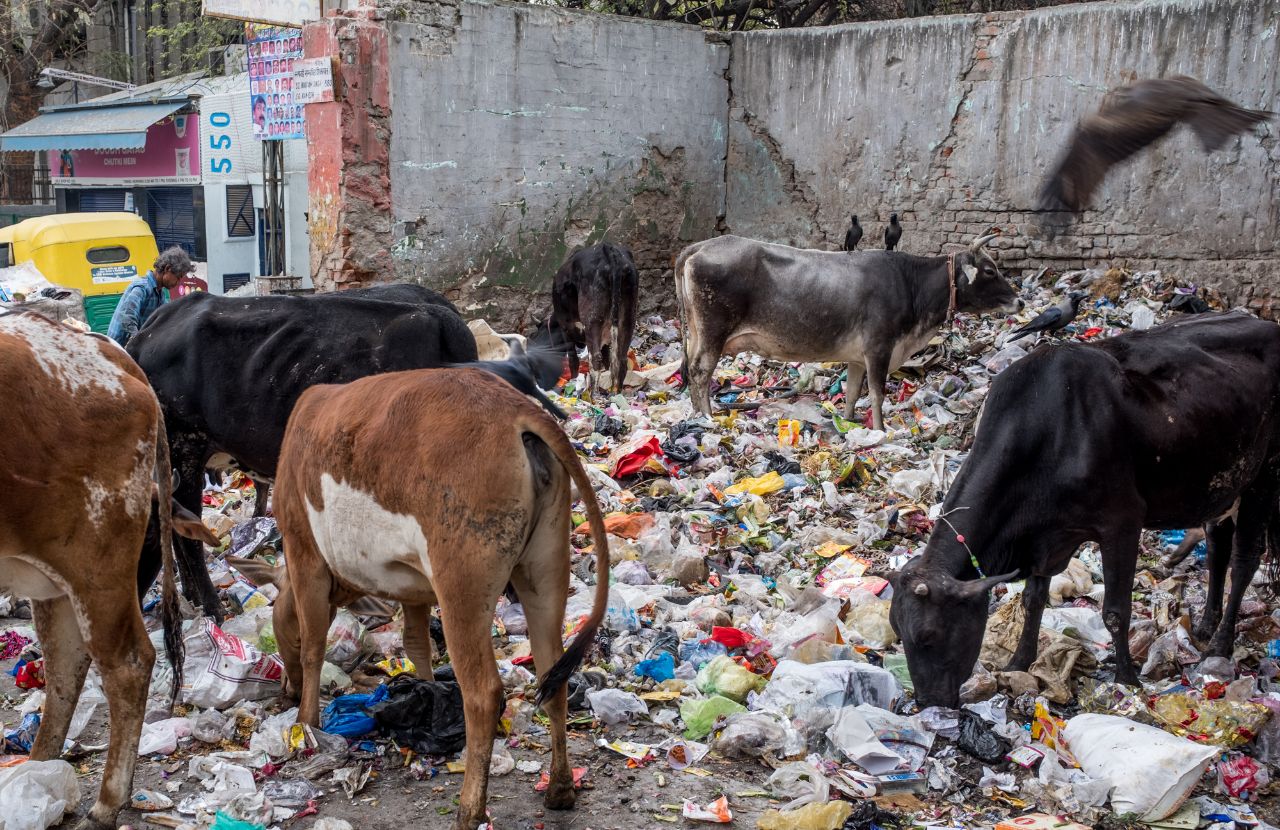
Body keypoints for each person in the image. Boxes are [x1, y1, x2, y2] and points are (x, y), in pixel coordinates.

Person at [107, 247, 193, 347]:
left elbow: (167, 318)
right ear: (167, 269)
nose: (178, 283)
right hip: (117, 349)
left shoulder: (160, 295)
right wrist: (138, 341)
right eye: (178, 278)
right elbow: (127, 317)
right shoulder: (142, 288)